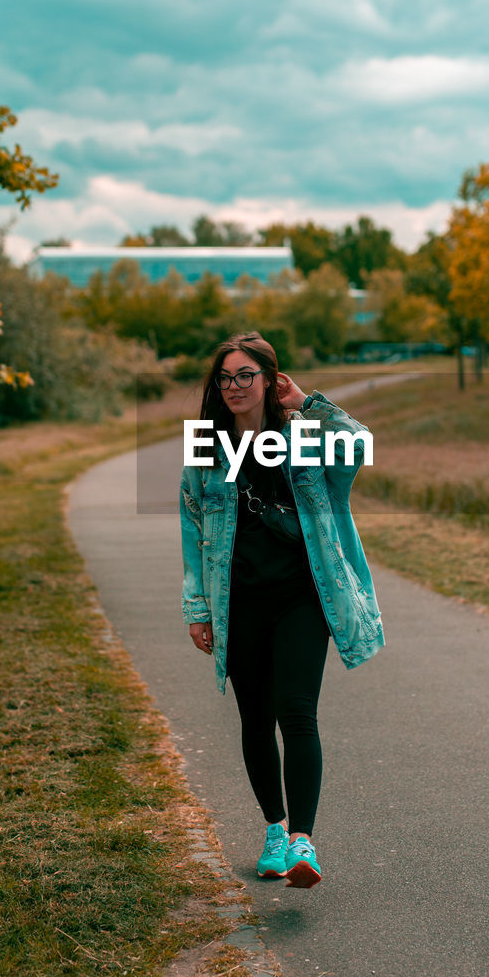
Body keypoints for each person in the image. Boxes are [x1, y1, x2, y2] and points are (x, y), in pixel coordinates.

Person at [179, 331, 384, 888]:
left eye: (246, 375)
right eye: (224, 378)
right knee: (255, 718)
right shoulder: (206, 443)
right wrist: (197, 606)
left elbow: (362, 446)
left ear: (271, 379)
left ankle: (303, 842)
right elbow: (192, 524)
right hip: (238, 598)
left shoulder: (306, 436)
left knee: (297, 711)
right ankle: (273, 831)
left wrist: (309, 404)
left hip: (302, 594)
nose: (234, 386)